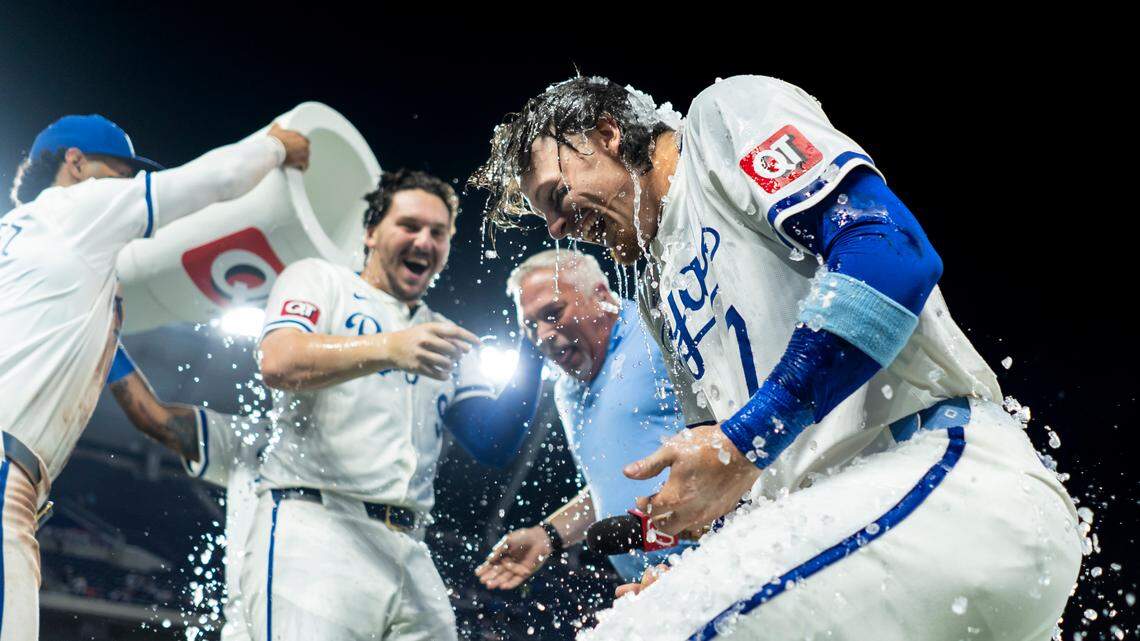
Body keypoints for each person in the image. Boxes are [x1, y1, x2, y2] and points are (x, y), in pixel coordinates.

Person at [471, 75, 1082, 640]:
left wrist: (747, 441)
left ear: (607, 134)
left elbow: (889, 253)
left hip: (943, 481)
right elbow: (736, 475)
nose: (553, 227)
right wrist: (703, 575)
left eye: (556, 193)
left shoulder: (721, 121)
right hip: (848, 529)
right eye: (541, 213)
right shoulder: (654, 287)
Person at [1, 113, 309, 641]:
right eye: (120, 172)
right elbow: (218, 179)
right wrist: (276, 146)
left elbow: (136, 401)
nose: (126, 186)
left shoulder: (25, 244)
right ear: (74, 163)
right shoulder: (76, 207)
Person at [243, 168, 543, 641]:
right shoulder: (321, 279)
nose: (424, 240)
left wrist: (533, 350)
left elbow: (492, 444)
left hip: (408, 545)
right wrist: (388, 348)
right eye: (410, 226)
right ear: (369, 232)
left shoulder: (439, 331)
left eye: (438, 233)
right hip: (317, 526)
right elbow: (278, 361)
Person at [476, 248, 688, 589]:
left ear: (600, 295)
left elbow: (731, 435)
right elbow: (618, 483)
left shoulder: (658, 331)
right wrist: (547, 535)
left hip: (719, 559)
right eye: (530, 326)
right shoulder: (566, 389)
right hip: (648, 588)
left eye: (553, 313)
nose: (542, 334)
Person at [106, 343, 264, 641]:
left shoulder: (362, 454)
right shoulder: (253, 438)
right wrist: (108, 343)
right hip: (253, 627)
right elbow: (154, 418)